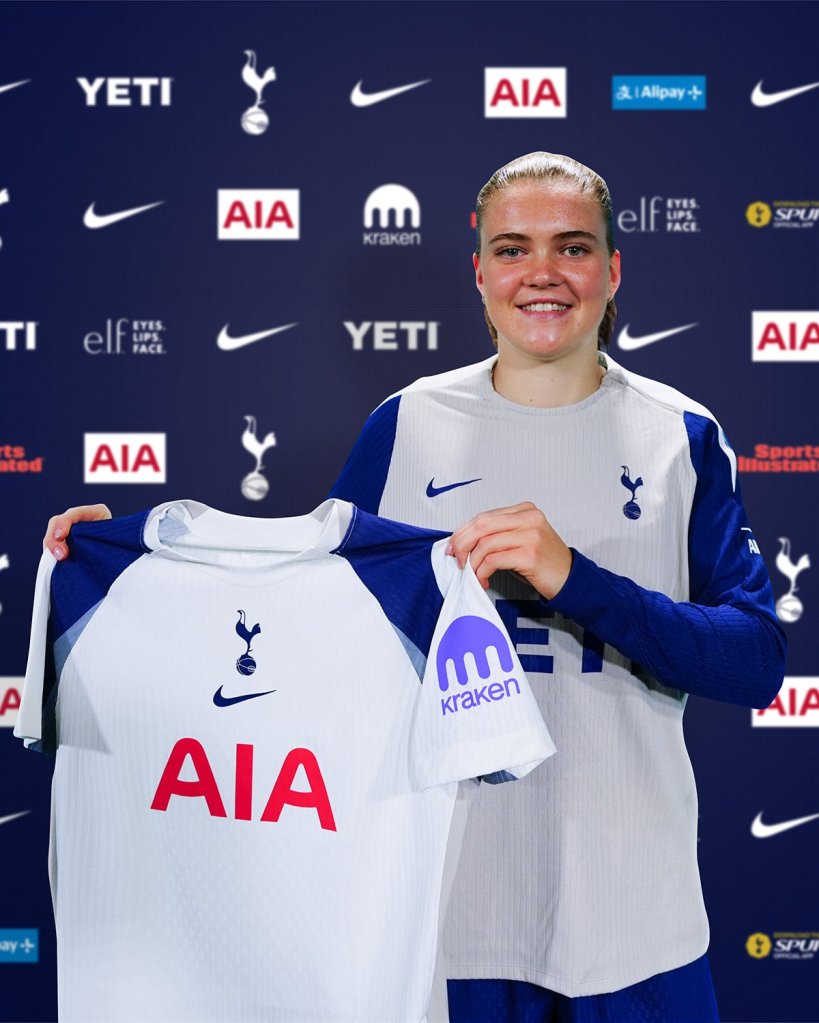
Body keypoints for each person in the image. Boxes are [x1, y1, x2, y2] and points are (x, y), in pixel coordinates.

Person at [45, 152, 785, 1023]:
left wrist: (574, 579)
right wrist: (137, 570)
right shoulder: (405, 425)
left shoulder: (680, 436)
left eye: (572, 247)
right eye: (511, 249)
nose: (541, 273)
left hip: (635, 921)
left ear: (612, 269)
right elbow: (306, 618)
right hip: (442, 920)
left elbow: (754, 660)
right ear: (479, 273)